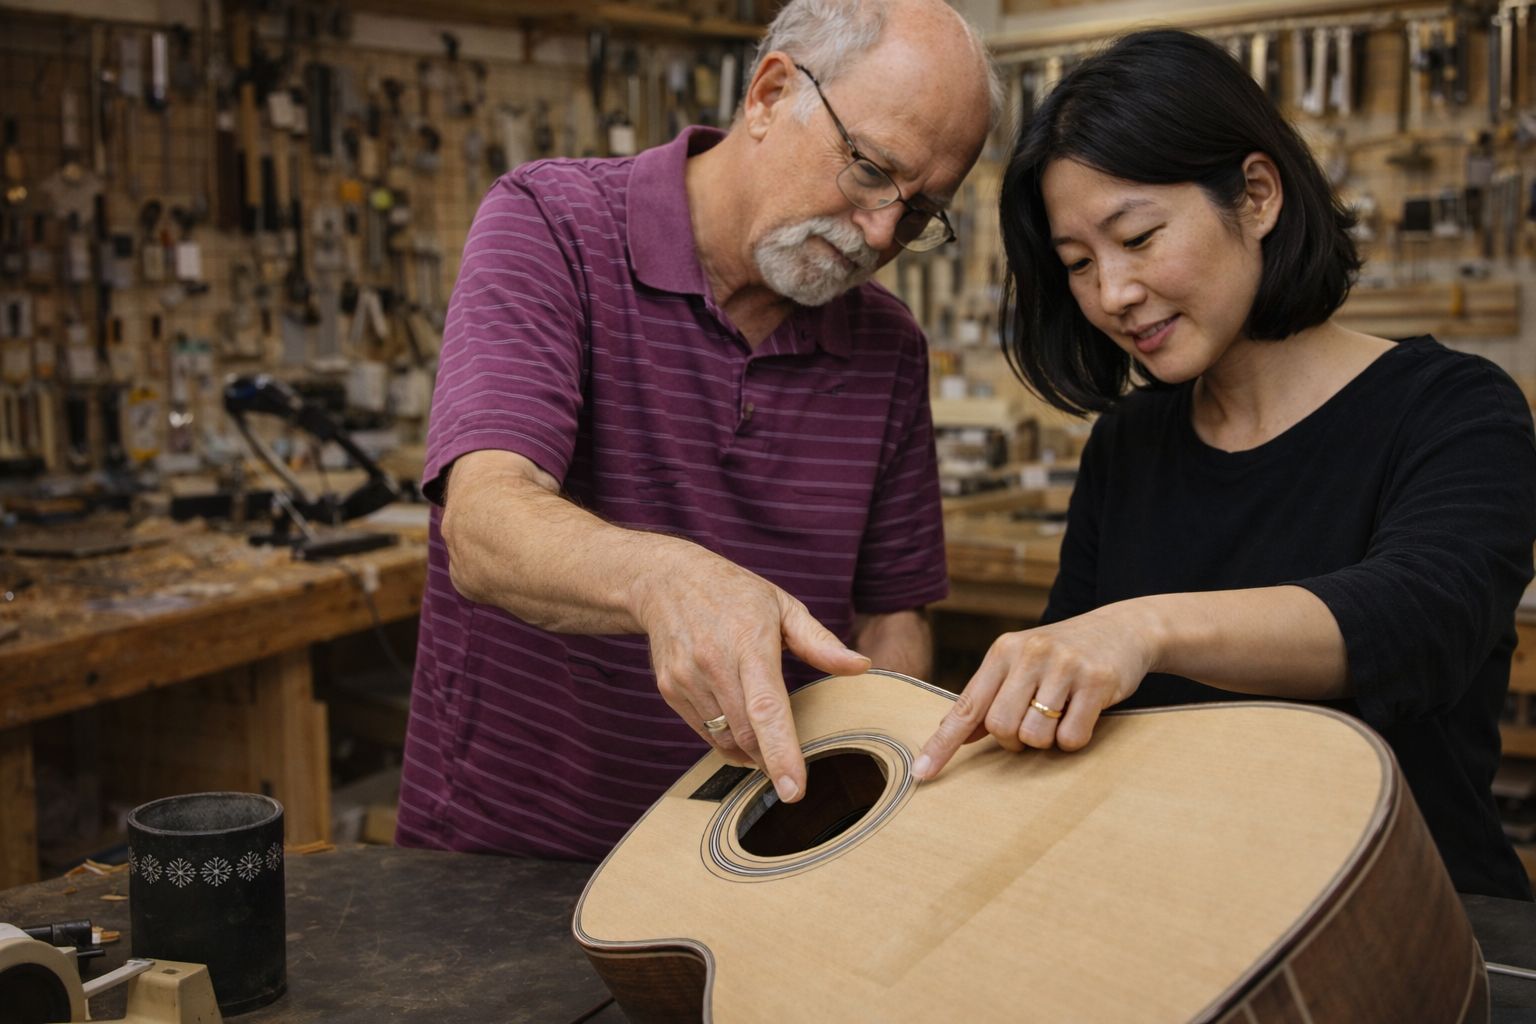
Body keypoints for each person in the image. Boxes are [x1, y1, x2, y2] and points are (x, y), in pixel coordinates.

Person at [913, 28, 1536, 899]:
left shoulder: (1454, 408)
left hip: (1410, 922)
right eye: (1079, 265)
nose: (1113, 294)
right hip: (1183, 918)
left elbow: (1420, 618)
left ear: (1255, 194)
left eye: (1138, 237)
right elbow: (1064, 689)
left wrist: (1142, 629)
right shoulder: (1130, 443)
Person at [396, 0, 1002, 862]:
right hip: (510, 865)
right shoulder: (551, 224)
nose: (878, 232)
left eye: (918, 214)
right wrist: (667, 580)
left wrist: (885, 789)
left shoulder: (889, 345)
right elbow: (485, 526)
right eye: (870, 170)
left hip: (753, 869)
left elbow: (890, 619)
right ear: (769, 93)